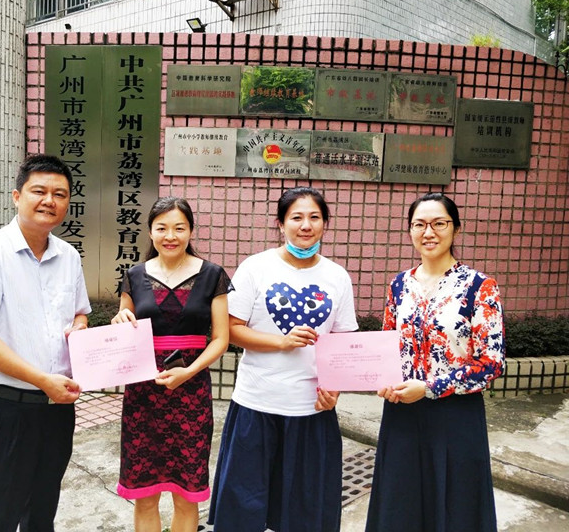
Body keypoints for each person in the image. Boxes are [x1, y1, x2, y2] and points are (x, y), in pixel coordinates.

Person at [0, 154, 91, 532]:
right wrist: (42, 380)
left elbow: (80, 314)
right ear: (17, 196)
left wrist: (80, 329)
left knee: (40, 517)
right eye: (39, 191)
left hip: (56, 414)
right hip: (1, 413)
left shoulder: (69, 257)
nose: (49, 200)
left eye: (60, 194)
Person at [208, 187, 357, 532]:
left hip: (311, 410)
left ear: (325, 223)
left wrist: (335, 388)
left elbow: (343, 342)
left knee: (305, 512)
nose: (306, 225)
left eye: (314, 217)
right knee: (243, 509)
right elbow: (230, 330)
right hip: (256, 404)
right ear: (280, 223)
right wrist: (281, 342)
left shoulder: (337, 276)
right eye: (296, 217)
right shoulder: (255, 267)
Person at [365, 192, 505, 532]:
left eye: (439, 223)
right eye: (419, 225)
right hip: (401, 412)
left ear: (456, 229)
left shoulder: (479, 286)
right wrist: (383, 380)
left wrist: (429, 387)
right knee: (400, 503)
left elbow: (491, 362)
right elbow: (388, 344)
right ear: (410, 230)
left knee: (455, 506)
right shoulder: (399, 284)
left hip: (455, 415)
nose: (429, 232)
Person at [111, 197, 231, 532]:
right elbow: (125, 325)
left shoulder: (212, 275)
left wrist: (189, 372)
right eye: (162, 228)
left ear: (191, 231)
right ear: (150, 232)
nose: (170, 236)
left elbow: (221, 338)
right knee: (144, 495)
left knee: (186, 495)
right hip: (143, 394)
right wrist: (119, 320)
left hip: (191, 394)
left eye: (179, 228)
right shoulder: (134, 276)